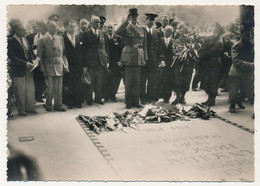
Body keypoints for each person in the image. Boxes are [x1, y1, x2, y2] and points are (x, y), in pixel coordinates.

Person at [115, 8, 146, 109]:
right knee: (128, 82)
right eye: (132, 16)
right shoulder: (126, 28)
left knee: (137, 82)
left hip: (138, 58)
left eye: (136, 16)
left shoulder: (141, 28)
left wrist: (144, 57)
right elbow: (117, 31)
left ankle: (136, 102)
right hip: (128, 57)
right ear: (130, 17)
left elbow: (144, 44)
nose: (134, 18)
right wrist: (126, 21)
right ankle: (128, 102)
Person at [7, 19, 37, 116]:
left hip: (28, 68)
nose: (25, 31)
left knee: (29, 89)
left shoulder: (25, 40)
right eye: (23, 30)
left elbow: (29, 52)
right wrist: (25, 63)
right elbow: (13, 57)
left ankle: (30, 108)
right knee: (20, 91)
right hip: (18, 69)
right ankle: (21, 110)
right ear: (16, 30)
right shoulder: (10, 41)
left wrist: (33, 60)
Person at [37, 21, 69, 112]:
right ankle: (48, 104)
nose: (55, 29)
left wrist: (66, 65)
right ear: (47, 29)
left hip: (59, 66)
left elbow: (63, 54)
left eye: (56, 27)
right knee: (49, 88)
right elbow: (40, 57)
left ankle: (58, 105)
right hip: (48, 66)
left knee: (59, 87)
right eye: (52, 27)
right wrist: (43, 70)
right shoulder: (42, 40)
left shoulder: (61, 39)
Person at [81, 15, 109, 105]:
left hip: (101, 61)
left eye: (98, 22)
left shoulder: (102, 33)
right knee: (90, 81)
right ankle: (89, 99)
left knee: (99, 81)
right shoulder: (86, 34)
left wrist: (107, 60)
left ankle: (98, 98)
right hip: (90, 62)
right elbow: (83, 51)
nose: (97, 24)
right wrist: (84, 65)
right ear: (91, 23)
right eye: (95, 22)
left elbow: (106, 47)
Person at [140, 13, 164, 104]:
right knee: (142, 80)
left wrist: (161, 59)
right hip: (144, 59)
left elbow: (159, 47)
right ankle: (142, 97)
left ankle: (150, 97)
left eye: (153, 20)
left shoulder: (156, 32)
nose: (151, 22)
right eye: (150, 20)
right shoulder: (141, 30)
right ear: (146, 20)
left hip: (153, 60)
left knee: (152, 80)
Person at [201, 22, 224, 106]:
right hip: (210, 62)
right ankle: (209, 99)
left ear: (219, 32)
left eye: (216, 31)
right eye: (214, 30)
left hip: (214, 63)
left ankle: (212, 100)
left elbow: (210, 52)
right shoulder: (214, 39)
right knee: (208, 81)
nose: (214, 32)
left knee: (213, 81)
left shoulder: (219, 41)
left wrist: (204, 51)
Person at [62, 19, 84, 109]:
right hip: (68, 63)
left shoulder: (78, 37)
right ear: (66, 27)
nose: (73, 28)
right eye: (71, 26)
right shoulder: (63, 38)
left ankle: (78, 101)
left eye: (74, 26)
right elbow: (62, 52)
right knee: (69, 82)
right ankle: (69, 102)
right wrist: (65, 64)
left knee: (78, 82)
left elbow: (81, 51)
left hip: (78, 64)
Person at [171, 23, 195, 105]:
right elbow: (174, 51)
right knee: (177, 80)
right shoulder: (176, 41)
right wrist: (181, 53)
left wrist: (191, 50)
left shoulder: (191, 41)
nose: (183, 33)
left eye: (184, 31)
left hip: (188, 64)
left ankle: (183, 97)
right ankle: (177, 96)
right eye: (180, 30)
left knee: (186, 80)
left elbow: (195, 51)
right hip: (178, 63)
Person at [103, 24, 123, 102]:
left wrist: (120, 61)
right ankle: (106, 96)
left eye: (111, 28)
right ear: (106, 29)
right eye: (108, 27)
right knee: (106, 79)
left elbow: (121, 51)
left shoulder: (118, 38)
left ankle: (113, 95)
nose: (110, 29)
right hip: (107, 61)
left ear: (114, 29)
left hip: (116, 62)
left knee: (115, 79)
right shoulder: (103, 37)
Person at [158, 25, 174, 103]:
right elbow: (157, 51)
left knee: (168, 81)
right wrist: (160, 61)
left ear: (171, 32)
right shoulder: (160, 40)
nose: (166, 32)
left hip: (170, 64)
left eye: (168, 31)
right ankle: (158, 96)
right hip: (161, 63)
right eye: (165, 30)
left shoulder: (173, 41)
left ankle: (167, 97)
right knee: (160, 80)